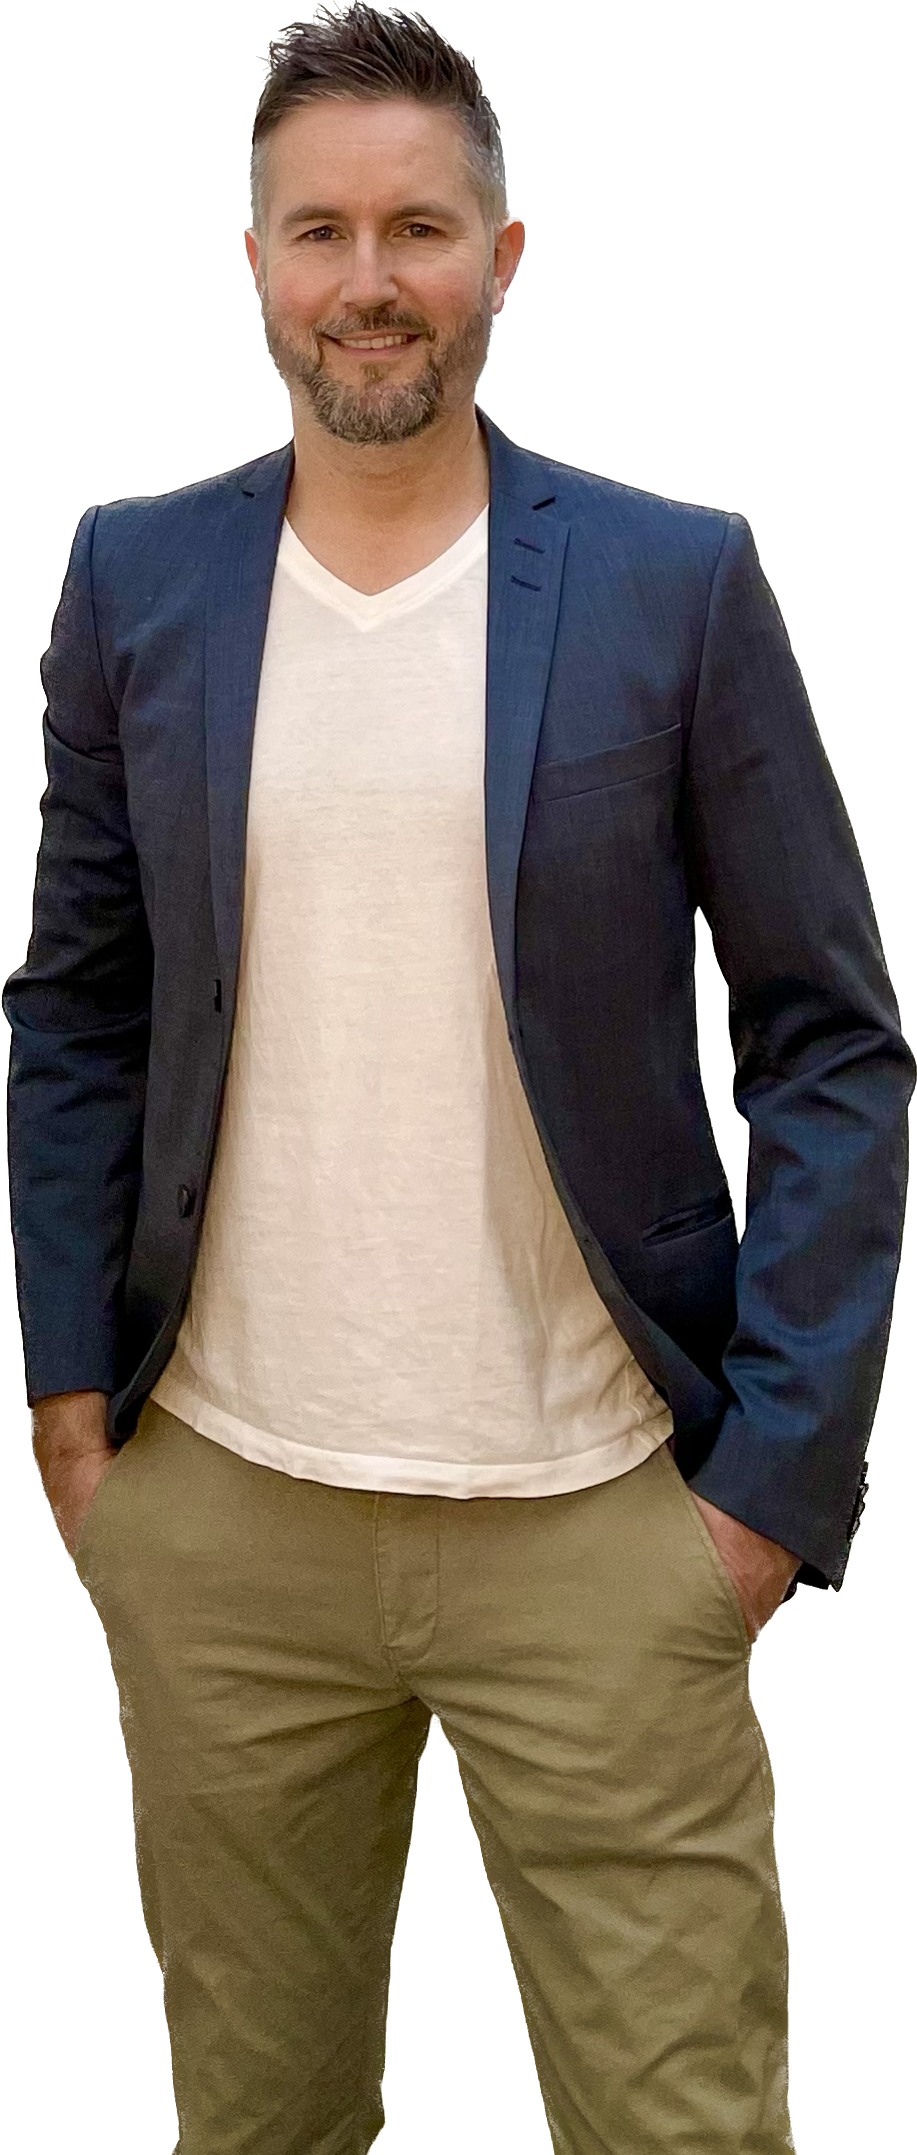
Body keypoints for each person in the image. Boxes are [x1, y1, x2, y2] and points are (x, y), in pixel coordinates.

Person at [6, 9, 912, 2152]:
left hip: (602, 1519)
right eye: (319, 229)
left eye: (418, 226)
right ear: (252, 263)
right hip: (221, 1510)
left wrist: (769, 1489)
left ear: (503, 255)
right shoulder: (136, 577)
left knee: (681, 2126)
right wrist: (70, 1414)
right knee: (257, 2123)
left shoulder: (676, 580)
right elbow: (77, 1006)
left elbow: (826, 1040)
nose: (370, 278)